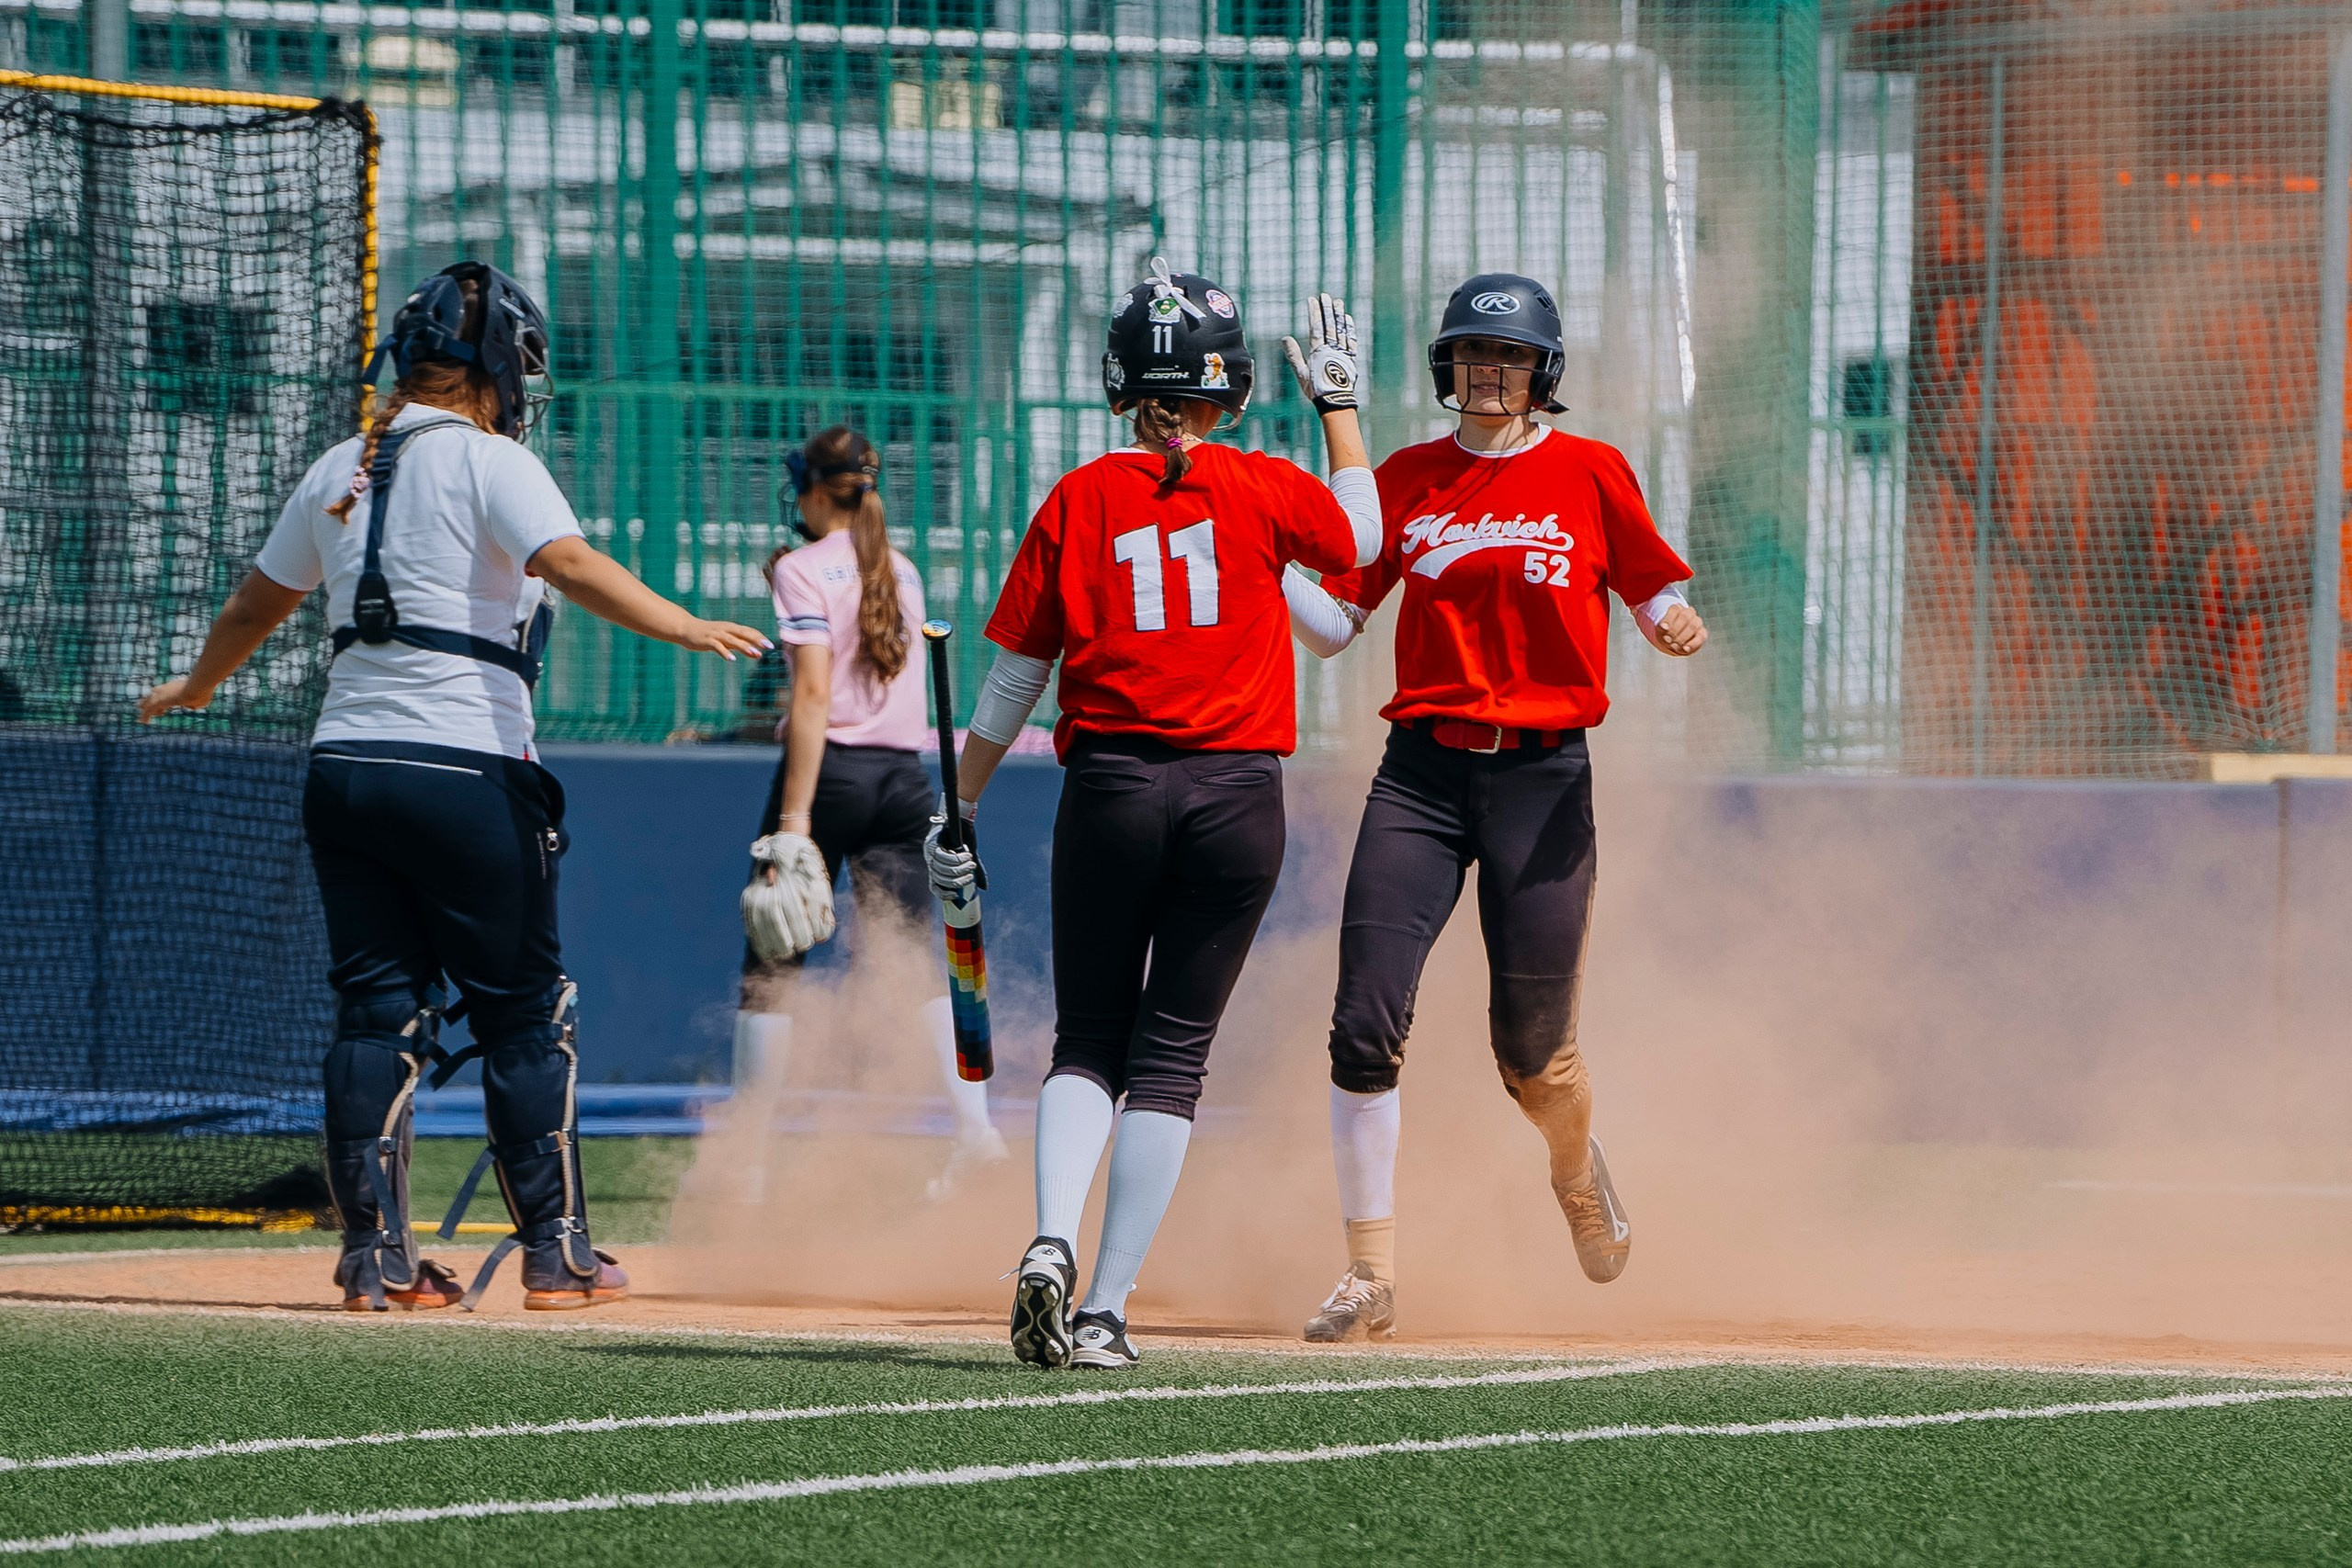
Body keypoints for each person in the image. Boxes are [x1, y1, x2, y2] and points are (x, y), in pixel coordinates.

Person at [137, 262, 770, 1312]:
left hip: (345, 768)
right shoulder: (490, 460)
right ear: (493, 369)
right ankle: (557, 1255)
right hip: (466, 767)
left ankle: (374, 1261)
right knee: (525, 1013)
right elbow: (567, 565)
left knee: (375, 1012)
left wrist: (200, 686)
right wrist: (686, 623)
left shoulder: (341, 465)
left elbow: (256, 604)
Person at [924, 264, 1381, 1370]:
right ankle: (1106, 1313)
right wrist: (1340, 406)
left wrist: (961, 807)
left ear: (1120, 385)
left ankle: (1045, 1243)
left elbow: (1012, 682)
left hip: (1113, 791)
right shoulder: (1263, 488)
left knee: (1088, 1040)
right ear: (1232, 390)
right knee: (1170, 1059)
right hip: (1234, 797)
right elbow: (1360, 546)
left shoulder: (1077, 498)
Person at [1282, 272, 1708, 1342]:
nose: (1489, 370)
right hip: (1420, 775)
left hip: (1541, 779)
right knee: (1361, 1023)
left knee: (1532, 1055)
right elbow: (1335, 623)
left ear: (1542, 372)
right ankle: (1367, 1273)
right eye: (1472, 352)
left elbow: (1652, 586)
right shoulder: (1409, 478)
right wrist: (1257, 556)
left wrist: (1670, 621)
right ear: (1446, 368)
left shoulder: (1590, 471)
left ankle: (1573, 1166)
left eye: (1510, 356)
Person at [734, 423, 1005, 1197]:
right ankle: (977, 1132)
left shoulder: (800, 567)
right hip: (903, 779)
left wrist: (793, 822)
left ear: (818, 491)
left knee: (772, 962)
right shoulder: (904, 568)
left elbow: (814, 693)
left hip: (832, 775)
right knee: (921, 961)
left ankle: (748, 1162)